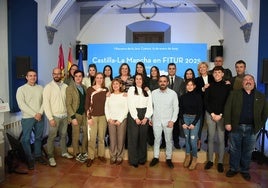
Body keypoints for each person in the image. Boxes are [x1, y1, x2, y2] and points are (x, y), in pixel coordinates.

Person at [224, 74, 268, 181]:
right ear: (242, 83)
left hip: (252, 128)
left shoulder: (261, 96)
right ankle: (233, 168)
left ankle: (245, 170)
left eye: (250, 79)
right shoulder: (234, 94)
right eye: (245, 80)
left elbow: (265, 113)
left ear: (254, 82)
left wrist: (259, 126)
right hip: (236, 126)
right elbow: (227, 109)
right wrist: (227, 123)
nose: (248, 81)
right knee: (234, 149)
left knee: (248, 151)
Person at [16, 69, 46, 170]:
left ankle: (38, 156)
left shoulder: (40, 88)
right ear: (26, 77)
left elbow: (44, 102)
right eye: (30, 76)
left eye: (34, 76)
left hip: (40, 117)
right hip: (28, 117)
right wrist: (34, 114)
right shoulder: (21, 89)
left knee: (38, 138)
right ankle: (29, 158)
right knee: (26, 139)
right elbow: (21, 105)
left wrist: (40, 113)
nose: (33, 77)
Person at [43, 68, 73, 167]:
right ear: (52, 75)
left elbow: (68, 103)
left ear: (61, 75)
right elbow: (46, 104)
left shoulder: (65, 86)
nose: (56, 75)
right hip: (54, 116)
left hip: (64, 115)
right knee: (52, 136)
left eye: (58, 74)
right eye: (55, 74)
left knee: (64, 135)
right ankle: (50, 156)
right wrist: (50, 118)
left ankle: (64, 152)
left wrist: (69, 116)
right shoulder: (48, 87)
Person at [204, 66, 231, 173]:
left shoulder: (227, 86)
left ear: (222, 74)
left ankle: (220, 162)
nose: (217, 74)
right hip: (210, 115)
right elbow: (206, 101)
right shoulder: (209, 86)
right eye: (215, 72)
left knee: (221, 139)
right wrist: (212, 114)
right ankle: (210, 161)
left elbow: (228, 102)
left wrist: (220, 114)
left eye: (219, 72)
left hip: (222, 116)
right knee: (210, 138)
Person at [149, 75, 179, 169]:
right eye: (161, 81)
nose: (162, 83)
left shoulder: (173, 94)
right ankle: (156, 157)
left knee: (168, 140)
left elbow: (176, 108)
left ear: (167, 82)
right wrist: (150, 118)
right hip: (156, 121)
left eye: (164, 81)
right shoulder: (153, 93)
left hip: (168, 122)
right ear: (158, 83)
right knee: (157, 140)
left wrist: (173, 120)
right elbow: (150, 107)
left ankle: (169, 158)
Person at [127, 73, 153, 168]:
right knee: (134, 138)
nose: (138, 80)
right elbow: (130, 104)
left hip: (144, 114)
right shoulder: (131, 89)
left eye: (140, 79)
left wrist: (146, 117)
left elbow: (150, 105)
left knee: (143, 138)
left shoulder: (147, 91)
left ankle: (142, 159)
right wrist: (136, 117)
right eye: (137, 79)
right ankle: (133, 160)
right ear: (134, 80)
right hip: (134, 114)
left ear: (143, 80)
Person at [85, 72, 109, 167]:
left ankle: (101, 155)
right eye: (97, 78)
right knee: (92, 138)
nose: (99, 79)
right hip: (93, 117)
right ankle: (90, 157)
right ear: (95, 78)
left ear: (103, 79)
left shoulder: (106, 90)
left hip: (103, 116)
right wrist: (89, 117)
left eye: (101, 78)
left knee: (101, 137)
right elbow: (87, 104)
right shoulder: (90, 89)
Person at [179, 79, 202, 170]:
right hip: (185, 118)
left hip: (194, 119)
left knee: (193, 140)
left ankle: (194, 158)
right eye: (188, 85)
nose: (189, 86)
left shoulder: (198, 96)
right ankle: (188, 157)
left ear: (194, 86)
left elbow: (200, 111)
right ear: (186, 86)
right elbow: (180, 110)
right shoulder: (183, 97)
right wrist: (183, 122)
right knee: (187, 139)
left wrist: (194, 123)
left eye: (191, 85)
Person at [66, 70, 88, 163]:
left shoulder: (85, 87)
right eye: (76, 76)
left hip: (84, 114)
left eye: (80, 76)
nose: (78, 78)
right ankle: (77, 153)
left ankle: (83, 151)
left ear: (82, 77)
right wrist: (72, 117)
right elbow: (68, 104)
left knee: (86, 134)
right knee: (76, 135)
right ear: (74, 77)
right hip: (76, 114)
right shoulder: (70, 88)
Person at [105, 78, 128, 165]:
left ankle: (119, 156)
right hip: (111, 120)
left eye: (117, 84)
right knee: (112, 139)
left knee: (121, 138)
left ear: (120, 85)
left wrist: (120, 119)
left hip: (121, 120)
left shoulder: (124, 95)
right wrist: (109, 118)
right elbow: (106, 107)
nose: (115, 85)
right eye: (113, 84)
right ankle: (113, 155)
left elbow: (126, 108)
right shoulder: (109, 95)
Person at [195, 62, 214, 150]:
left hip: (211, 105)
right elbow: (196, 92)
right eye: (200, 67)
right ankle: (198, 142)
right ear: (199, 70)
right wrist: (203, 88)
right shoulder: (197, 80)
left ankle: (210, 142)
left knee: (211, 125)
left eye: (204, 67)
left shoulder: (212, 77)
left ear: (207, 68)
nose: (202, 69)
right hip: (201, 105)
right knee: (200, 125)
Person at [167, 63, 185, 149]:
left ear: (176, 69)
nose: (171, 70)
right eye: (170, 68)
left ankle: (176, 142)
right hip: (165, 108)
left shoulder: (181, 80)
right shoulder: (163, 79)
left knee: (176, 126)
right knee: (166, 126)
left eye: (173, 68)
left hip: (175, 107)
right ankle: (164, 143)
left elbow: (181, 94)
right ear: (168, 69)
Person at [64, 64, 78, 147]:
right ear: (70, 70)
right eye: (72, 69)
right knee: (69, 124)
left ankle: (77, 140)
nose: (74, 70)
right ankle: (70, 139)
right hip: (69, 105)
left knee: (77, 124)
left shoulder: (80, 79)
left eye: (76, 69)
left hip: (77, 105)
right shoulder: (66, 80)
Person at [148, 66, 160, 147]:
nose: (153, 72)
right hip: (150, 104)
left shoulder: (161, 81)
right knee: (150, 123)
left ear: (157, 71)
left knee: (159, 124)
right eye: (152, 71)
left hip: (159, 105)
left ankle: (161, 142)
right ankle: (151, 140)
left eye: (155, 70)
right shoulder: (148, 81)